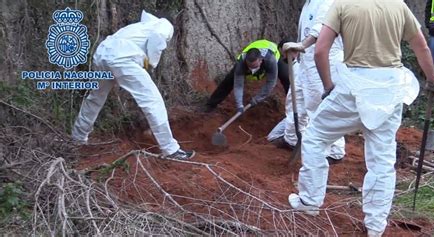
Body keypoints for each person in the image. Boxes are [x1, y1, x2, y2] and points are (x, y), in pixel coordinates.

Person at [285, 1, 434, 236]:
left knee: (315, 137)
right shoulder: (398, 5)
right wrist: (432, 82)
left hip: (353, 88)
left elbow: (320, 51)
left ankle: (310, 201)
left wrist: (328, 87)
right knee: (382, 161)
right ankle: (376, 225)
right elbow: (422, 48)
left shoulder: (343, 5)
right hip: (390, 91)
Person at [71, 10, 195, 160]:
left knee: (95, 98)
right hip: (122, 58)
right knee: (153, 101)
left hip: (102, 54)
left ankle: (77, 139)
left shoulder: (137, 28)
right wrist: (152, 63)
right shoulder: (163, 24)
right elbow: (158, 37)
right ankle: (171, 150)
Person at [267, 0, 345, 164]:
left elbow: (321, 28)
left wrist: (302, 45)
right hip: (305, 62)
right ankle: (292, 139)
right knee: (295, 102)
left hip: (324, 62)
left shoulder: (327, 2)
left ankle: (334, 151)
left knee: (321, 106)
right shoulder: (309, 3)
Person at [204, 39, 290, 113]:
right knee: (229, 80)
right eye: (249, 67)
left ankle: (292, 109)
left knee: (286, 77)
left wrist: (256, 99)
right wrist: (239, 105)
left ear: (260, 61)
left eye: (254, 67)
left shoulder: (270, 60)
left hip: (272, 51)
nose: (251, 70)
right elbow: (238, 85)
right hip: (255, 53)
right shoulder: (241, 63)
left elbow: (271, 82)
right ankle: (210, 105)